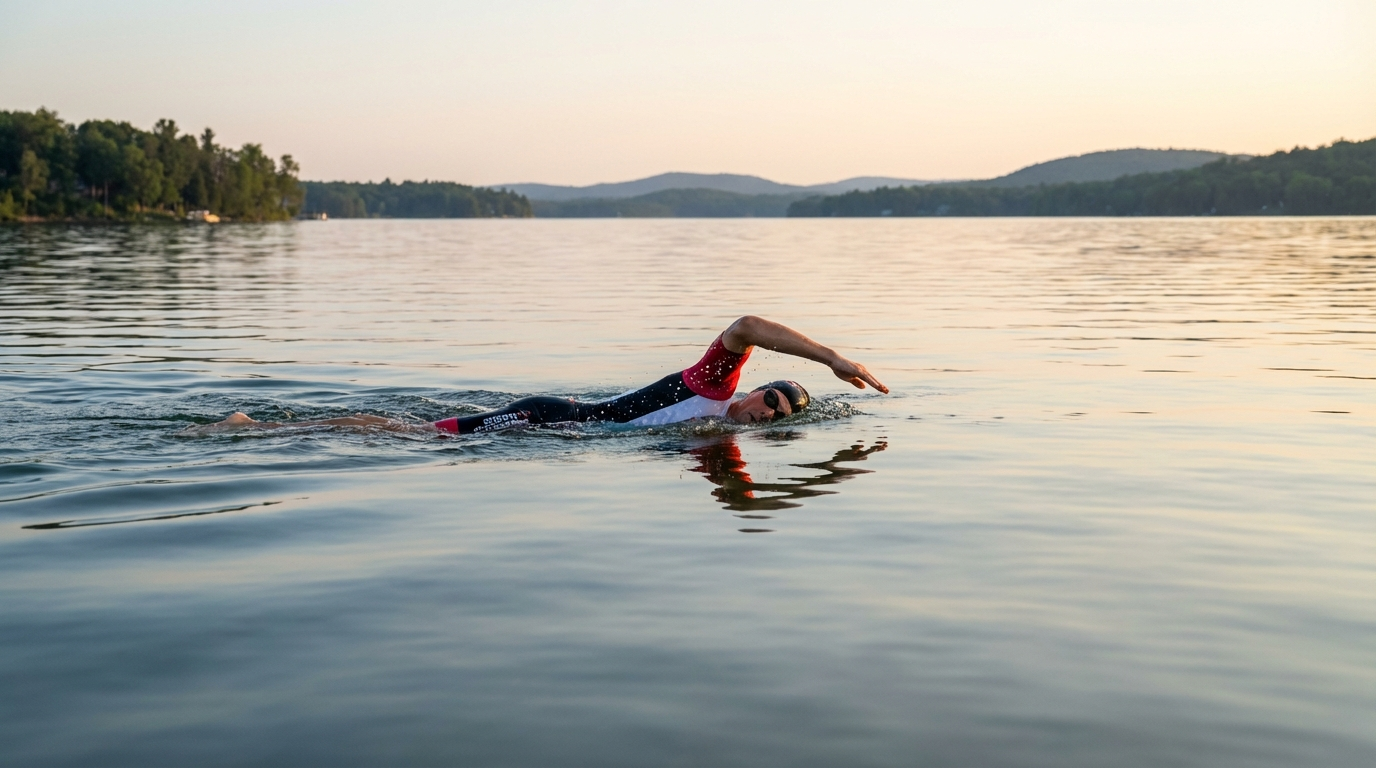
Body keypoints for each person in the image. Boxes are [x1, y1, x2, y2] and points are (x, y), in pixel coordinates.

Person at [196, 316, 888, 435]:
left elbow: (736, 505)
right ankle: (254, 429)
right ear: (755, 388)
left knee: (414, 435)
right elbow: (745, 325)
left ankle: (263, 428)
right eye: (770, 398)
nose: (765, 412)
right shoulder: (713, 389)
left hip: (559, 428)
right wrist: (830, 360)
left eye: (777, 417)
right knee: (410, 436)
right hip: (547, 418)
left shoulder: (718, 442)